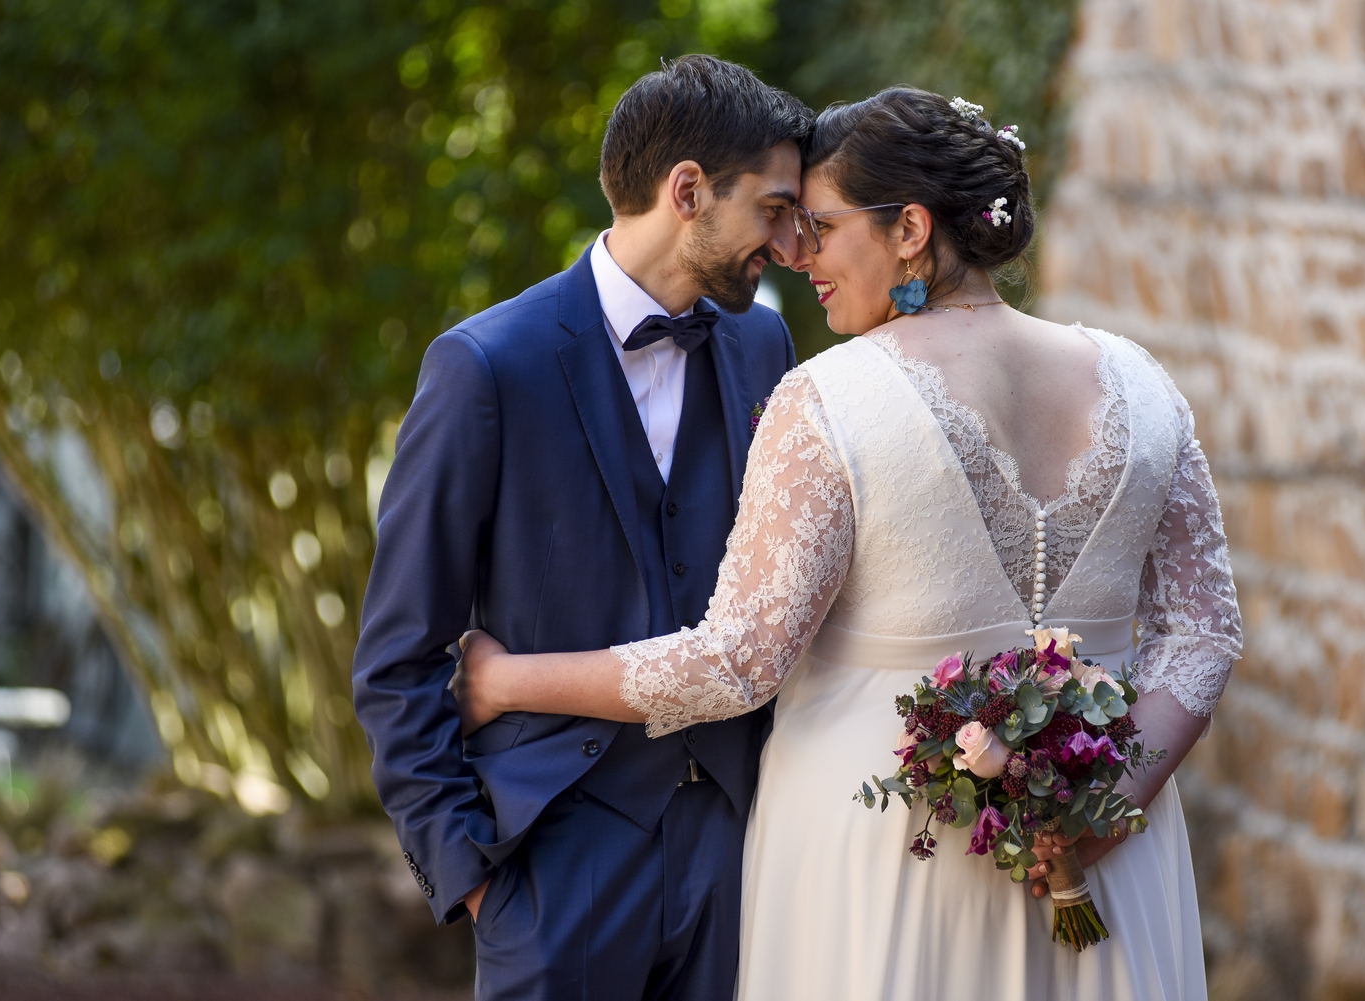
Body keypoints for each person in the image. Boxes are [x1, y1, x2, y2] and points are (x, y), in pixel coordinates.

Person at [455, 87, 1242, 1000]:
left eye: (821, 227)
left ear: (910, 229)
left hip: (884, 868)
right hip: (1101, 868)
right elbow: (1207, 635)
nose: (797, 254)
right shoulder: (1143, 386)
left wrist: (504, 680)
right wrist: (1097, 814)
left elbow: (739, 662)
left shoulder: (830, 396)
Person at [352, 55, 812, 1000]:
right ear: (688, 191)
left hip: (739, 851)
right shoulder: (486, 366)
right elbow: (398, 656)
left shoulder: (766, 346)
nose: (792, 240)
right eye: (773, 208)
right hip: (555, 860)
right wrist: (477, 878)